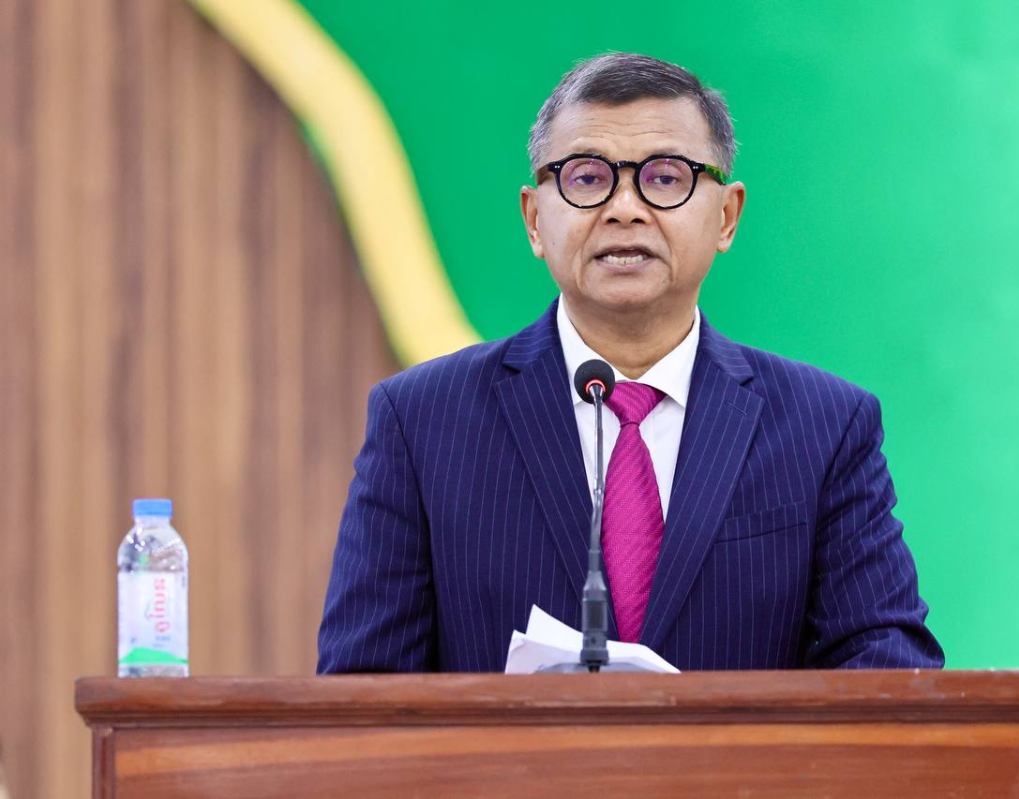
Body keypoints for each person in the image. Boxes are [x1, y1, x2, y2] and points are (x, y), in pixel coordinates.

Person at [317, 53, 943, 672]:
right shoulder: (422, 421)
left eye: (665, 178)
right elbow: (365, 690)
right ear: (534, 220)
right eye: (587, 178)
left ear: (727, 216)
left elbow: (888, 670)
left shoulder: (825, 427)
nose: (624, 208)